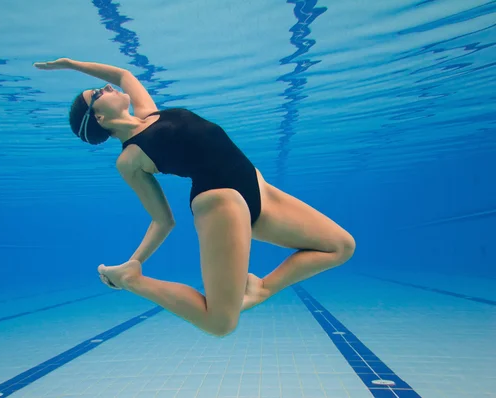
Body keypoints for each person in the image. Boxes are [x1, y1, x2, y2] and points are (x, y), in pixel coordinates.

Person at [33, 58, 355, 337]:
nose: (107, 88)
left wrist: (71, 65)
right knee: (220, 323)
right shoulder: (129, 158)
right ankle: (134, 281)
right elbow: (162, 220)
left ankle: (263, 287)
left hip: (256, 186)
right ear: (99, 118)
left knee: (340, 246)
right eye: (98, 94)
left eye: (102, 87)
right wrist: (137, 261)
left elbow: (122, 74)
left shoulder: (148, 112)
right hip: (220, 202)